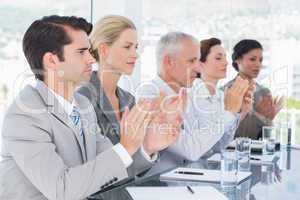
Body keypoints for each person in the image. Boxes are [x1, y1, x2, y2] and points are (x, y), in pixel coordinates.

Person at [0, 15, 184, 200]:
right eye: (81, 52)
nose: (91, 59)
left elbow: (111, 169)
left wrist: (146, 146)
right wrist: (126, 147)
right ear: (52, 61)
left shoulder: (82, 105)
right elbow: (61, 190)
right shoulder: (25, 116)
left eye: (89, 51)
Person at [78, 15, 186, 178]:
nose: (136, 54)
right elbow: (94, 170)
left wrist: (161, 126)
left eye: (136, 47)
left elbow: (138, 163)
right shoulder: (81, 98)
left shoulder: (128, 99)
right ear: (104, 50)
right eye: (127, 47)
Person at [136, 33, 250, 174]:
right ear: (169, 62)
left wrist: (237, 112)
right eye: (191, 61)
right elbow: (190, 150)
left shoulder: (190, 94)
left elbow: (215, 146)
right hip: (160, 187)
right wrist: (228, 112)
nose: (198, 68)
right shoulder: (150, 94)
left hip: (188, 181)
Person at [225, 39, 283, 139]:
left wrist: (268, 120)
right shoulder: (226, 92)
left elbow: (267, 138)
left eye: (260, 60)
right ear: (238, 60)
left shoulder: (265, 92)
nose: (258, 64)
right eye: (252, 59)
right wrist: (260, 117)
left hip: (260, 153)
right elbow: (226, 134)